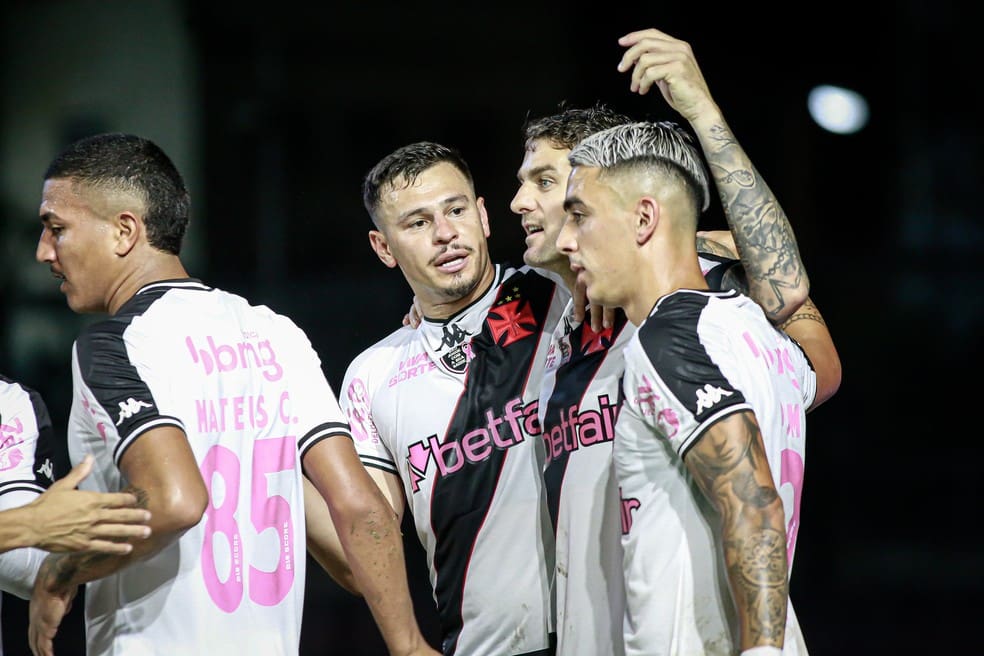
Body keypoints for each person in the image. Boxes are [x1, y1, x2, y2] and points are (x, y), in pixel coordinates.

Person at [28, 133, 438, 656]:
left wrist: (60, 573)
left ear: (124, 231)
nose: (45, 251)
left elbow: (178, 501)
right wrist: (409, 645)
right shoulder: (273, 331)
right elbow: (361, 519)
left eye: (56, 228)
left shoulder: (113, 346)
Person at [505, 28, 840, 656]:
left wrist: (701, 111)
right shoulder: (535, 321)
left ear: (635, 208)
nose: (522, 201)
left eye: (553, 186)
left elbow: (795, 316)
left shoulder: (685, 320)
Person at [558, 119, 817, 655]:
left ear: (644, 218)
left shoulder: (667, 342)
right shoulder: (766, 340)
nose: (567, 239)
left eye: (580, 215)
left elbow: (752, 501)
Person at [315, 140, 571, 655]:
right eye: (417, 223)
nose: (445, 234)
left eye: (456, 210)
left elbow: (680, 248)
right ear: (383, 247)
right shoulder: (372, 373)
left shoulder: (565, 291)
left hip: (605, 636)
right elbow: (362, 551)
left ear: (482, 214)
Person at [1, 374, 151, 655]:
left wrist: (69, 546)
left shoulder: (8, 401)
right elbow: (25, 528)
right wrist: (27, 524)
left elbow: (27, 567)